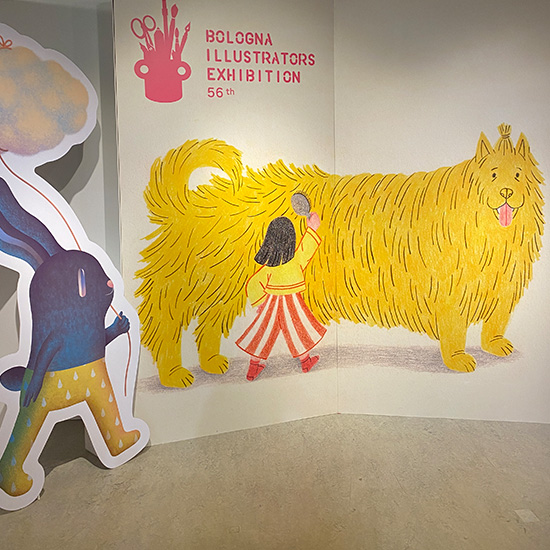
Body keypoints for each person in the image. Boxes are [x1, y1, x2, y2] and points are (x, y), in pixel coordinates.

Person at [236, 212, 326, 381]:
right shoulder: (296, 259)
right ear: (291, 239)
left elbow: (253, 283)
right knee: (298, 330)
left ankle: (253, 367)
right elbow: (307, 247)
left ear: (270, 240)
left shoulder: (268, 268)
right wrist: (312, 227)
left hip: (271, 304)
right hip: (292, 304)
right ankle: (305, 362)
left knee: (263, 332)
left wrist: (260, 303)